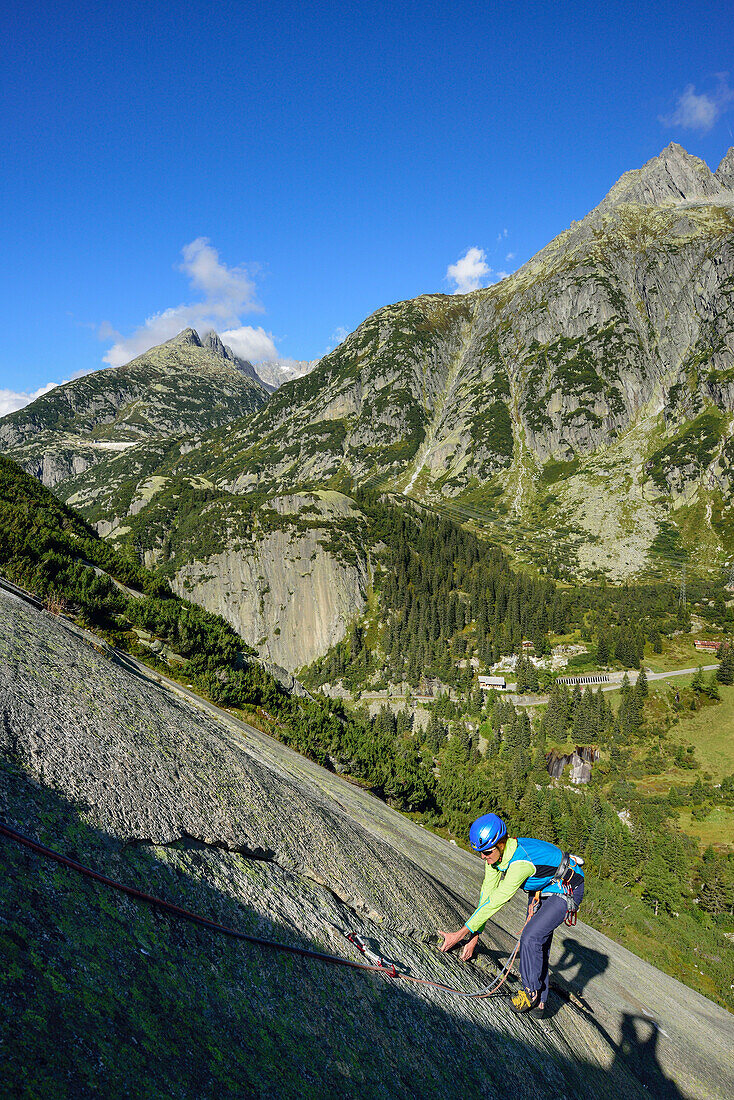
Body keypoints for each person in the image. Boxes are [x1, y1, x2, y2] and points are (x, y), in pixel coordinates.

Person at [438, 813, 584, 1014]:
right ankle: (541, 1001)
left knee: (532, 936)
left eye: (486, 852)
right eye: (480, 852)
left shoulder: (519, 864)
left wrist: (459, 934)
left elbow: (498, 900)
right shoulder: (495, 859)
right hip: (543, 887)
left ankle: (531, 993)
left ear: (500, 844)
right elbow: (487, 898)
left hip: (567, 888)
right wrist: (474, 937)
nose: (483, 857)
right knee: (537, 940)